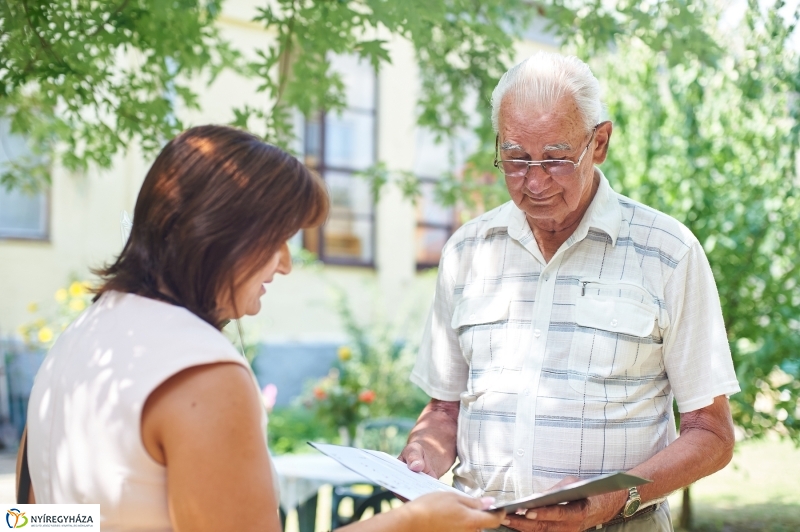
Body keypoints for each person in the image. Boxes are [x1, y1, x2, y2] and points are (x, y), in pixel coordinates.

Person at [22, 125, 507, 532]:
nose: (286, 264)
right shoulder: (201, 371)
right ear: (222, 235)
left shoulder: (83, 334)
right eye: (279, 240)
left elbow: (35, 518)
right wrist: (411, 522)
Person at [399, 52, 740, 532]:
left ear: (599, 142)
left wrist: (615, 498)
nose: (534, 182)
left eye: (556, 159)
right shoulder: (467, 251)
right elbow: (443, 409)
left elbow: (712, 434)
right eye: (515, 159)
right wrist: (421, 457)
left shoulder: (668, 252)